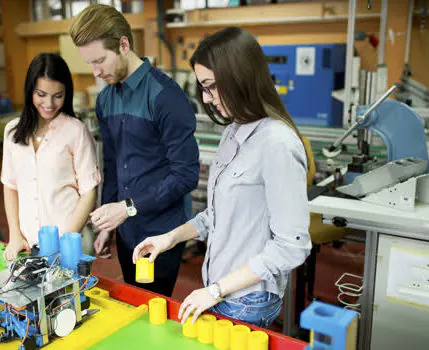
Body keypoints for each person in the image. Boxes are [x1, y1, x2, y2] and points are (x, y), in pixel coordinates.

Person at [132, 27, 312, 328]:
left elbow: (292, 246)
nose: (208, 97)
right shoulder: (232, 132)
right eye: (203, 87)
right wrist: (169, 239)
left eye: (211, 86)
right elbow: (216, 215)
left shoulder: (277, 143)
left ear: (240, 78)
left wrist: (215, 291)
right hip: (221, 289)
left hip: (248, 299)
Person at [69, 4, 200, 297]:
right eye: (89, 63)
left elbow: (186, 175)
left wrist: (126, 208)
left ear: (124, 45)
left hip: (163, 230)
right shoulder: (105, 101)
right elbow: (113, 162)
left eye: (100, 60)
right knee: (133, 302)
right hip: (126, 229)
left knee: (153, 306)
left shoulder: (166, 97)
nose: (96, 71)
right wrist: (107, 223)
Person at [1, 52, 101, 260]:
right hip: (28, 243)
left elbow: (89, 191)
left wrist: (66, 242)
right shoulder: (12, 131)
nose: (49, 103)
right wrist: (15, 235)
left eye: (58, 96)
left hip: (71, 244)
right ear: (30, 91)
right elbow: (10, 186)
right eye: (41, 94)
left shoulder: (76, 131)